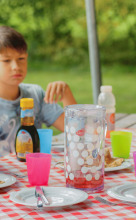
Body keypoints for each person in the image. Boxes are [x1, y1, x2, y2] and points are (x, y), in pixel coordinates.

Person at [0, 26, 77, 157]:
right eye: (7, 60)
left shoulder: (35, 94)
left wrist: (66, 94)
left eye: (21, 59)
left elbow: (76, 132)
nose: (16, 67)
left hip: (32, 173)